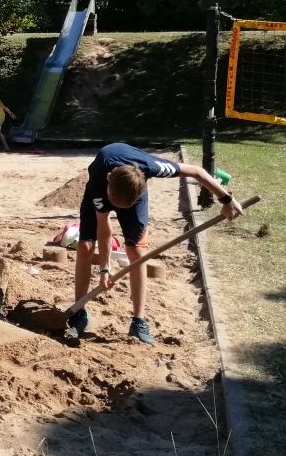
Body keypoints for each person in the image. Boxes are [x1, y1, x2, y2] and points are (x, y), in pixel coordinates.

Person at [69, 143, 243, 344]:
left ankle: (139, 321)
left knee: (136, 251)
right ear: (109, 178)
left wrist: (226, 200)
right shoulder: (100, 183)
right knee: (85, 247)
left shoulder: (152, 168)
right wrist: (104, 270)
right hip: (102, 191)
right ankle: (79, 313)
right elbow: (104, 227)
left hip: (131, 191)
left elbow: (197, 172)